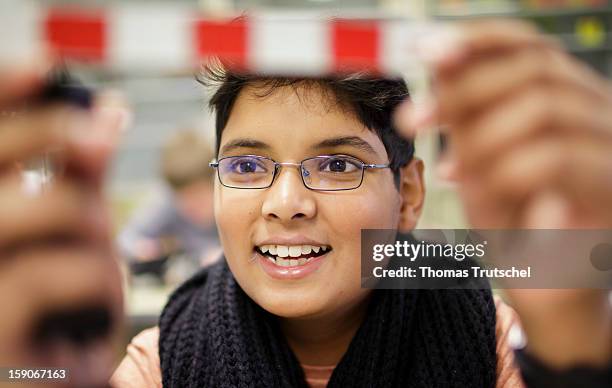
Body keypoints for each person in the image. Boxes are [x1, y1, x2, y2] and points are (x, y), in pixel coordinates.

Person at [0, 20, 610, 388]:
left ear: (410, 195)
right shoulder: (159, 364)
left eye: (338, 165)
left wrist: (574, 342)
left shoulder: (499, 344)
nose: (285, 203)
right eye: (245, 166)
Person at [117, 129, 220, 278]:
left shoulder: (230, 200)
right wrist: (143, 249)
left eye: (199, 197)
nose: (193, 206)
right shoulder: (166, 202)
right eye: (185, 199)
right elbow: (126, 239)